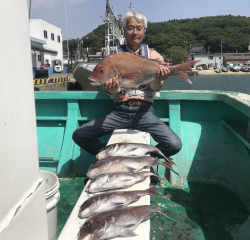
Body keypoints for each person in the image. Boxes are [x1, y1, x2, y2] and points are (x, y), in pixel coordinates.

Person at [72, 11, 182, 161]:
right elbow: (112, 90)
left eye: (139, 28)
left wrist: (160, 77)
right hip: (120, 111)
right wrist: (111, 90)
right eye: (130, 28)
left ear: (144, 31)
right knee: (80, 135)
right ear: (124, 31)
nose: (135, 32)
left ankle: (145, 161)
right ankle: (112, 156)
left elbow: (155, 88)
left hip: (145, 112)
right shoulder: (114, 57)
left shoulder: (154, 57)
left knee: (174, 144)